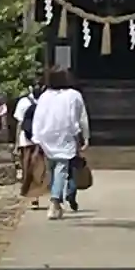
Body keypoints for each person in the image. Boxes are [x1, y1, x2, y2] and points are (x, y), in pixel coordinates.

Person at [30, 79, 90, 218]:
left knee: (52, 169)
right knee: (61, 169)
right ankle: (55, 202)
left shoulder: (45, 95)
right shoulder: (74, 95)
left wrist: (36, 137)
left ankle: (57, 200)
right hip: (65, 135)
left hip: (46, 136)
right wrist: (85, 136)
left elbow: (38, 117)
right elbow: (82, 117)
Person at [15, 84, 43, 198]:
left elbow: (19, 123)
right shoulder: (45, 101)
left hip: (25, 134)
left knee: (26, 160)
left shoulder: (23, 102)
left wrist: (16, 143)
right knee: (38, 161)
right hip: (40, 134)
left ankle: (26, 184)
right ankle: (36, 186)